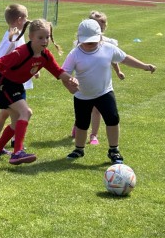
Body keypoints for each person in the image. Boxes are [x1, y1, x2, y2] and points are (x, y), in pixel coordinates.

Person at [0, 19, 79, 165]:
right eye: (40, 37)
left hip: (16, 86)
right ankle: (17, 153)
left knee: (16, 122)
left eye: (47, 37)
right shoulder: (20, 52)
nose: (45, 41)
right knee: (26, 112)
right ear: (31, 37)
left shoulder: (45, 55)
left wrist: (71, 79)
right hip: (3, 84)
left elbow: (58, 71)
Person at [63, 19, 156, 164]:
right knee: (81, 123)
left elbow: (125, 59)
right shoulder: (75, 54)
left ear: (100, 36)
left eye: (93, 41)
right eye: (86, 42)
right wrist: (69, 85)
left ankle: (114, 150)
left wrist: (144, 66)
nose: (90, 44)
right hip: (82, 96)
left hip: (104, 93)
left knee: (112, 119)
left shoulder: (108, 48)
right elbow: (65, 73)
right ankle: (79, 149)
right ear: (79, 39)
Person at [0, 4, 40, 149]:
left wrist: (33, 69)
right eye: (26, 17)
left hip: (16, 82)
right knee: (15, 112)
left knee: (11, 112)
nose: (27, 20)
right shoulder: (13, 36)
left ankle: (7, 140)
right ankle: (0, 141)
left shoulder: (19, 35)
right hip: (7, 83)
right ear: (19, 20)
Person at [71, 11, 125, 145]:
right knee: (83, 113)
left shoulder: (108, 44)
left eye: (100, 27)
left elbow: (115, 59)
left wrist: (118, 71)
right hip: (84, 86)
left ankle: (93, 135)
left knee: (98, 110)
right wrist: (70, 80)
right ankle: (78, 128)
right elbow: (74, 62)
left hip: (102, 87)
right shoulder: (79, 45)